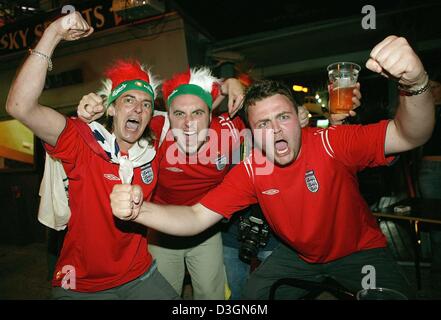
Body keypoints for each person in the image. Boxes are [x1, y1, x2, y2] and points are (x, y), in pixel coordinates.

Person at [110, 35, 435, 299]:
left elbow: (409, 134)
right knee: (250, 298)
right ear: (251, 131)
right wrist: (138, 211)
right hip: (298, 257)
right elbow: (195, 216)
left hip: (360, 252)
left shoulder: (330, 141)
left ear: (300, 116)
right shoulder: (252, 168)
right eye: (263, 123)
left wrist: (416, 84)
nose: (276, 130)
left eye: (283, 117)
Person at [6, 11, 179, 299]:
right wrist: (53, 33)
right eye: (129, 100)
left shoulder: (153, 146)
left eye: (146, 104)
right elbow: (19, 106)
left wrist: (226, 85)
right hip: (83, 283)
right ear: (111, 109)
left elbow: (188, 112)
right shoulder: (83, 140)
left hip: (139, 273)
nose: (138, 108)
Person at [417, 71, 441, 297]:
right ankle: (436, 282)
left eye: (434, 86)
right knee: (436, 228)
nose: (431, 91)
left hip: (430, 169)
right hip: (430, 170)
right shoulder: (425, 110)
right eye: (429, 87)